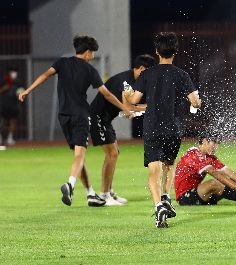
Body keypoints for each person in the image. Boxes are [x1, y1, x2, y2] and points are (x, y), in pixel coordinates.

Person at [18, 35, 132, 207]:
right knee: (80, 154)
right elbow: (106, 93)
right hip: (81, 115)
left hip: (63, 115)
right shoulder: (89, 70)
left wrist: (28, 90)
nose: (93, 56)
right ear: (87, 53)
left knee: (77, 157)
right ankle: (70, 183)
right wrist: (124, 107)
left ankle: (90, 194)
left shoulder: (61, 63)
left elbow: (45, 75)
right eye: (92, 53)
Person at [125, 32, 201, 228]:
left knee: (154, 170)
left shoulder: (147, 74)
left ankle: (159, 205)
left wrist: (127, 94)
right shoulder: (182, 74)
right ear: (175, 51)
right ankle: (166, 197)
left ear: (157, 51)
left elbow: (134, 101)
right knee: (169, 164)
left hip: (152, 127)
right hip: (173, 129)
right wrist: (195, 102)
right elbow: (195, 102)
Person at [89, 54, 156, 206]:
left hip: (105, 119)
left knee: (114, 153)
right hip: (97, 117)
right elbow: (128, 107)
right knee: (112, 153)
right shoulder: (126, 81)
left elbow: (130, 107)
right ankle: (104, 195)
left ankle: (109, 192)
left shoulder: (134, 80)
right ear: (141, 69)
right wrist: (152, 107)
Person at [174, 133, 236, 206]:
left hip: (200, 194)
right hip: (185, 197)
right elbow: (214, 173)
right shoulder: (193, 154)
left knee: (227, 179)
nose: (216, 147)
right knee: (215, 182)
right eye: (214, 143)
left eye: (217, 144)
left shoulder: (209, 157)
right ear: (204, 142)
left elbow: (230, 173)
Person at [0, 68, 21, 145]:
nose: (14, 73)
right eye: (13, 72)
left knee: (13, 121)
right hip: (3, 105)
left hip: (14, 105)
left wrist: (20, 94)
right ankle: (1, 138)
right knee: (2, 122)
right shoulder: (3, 81)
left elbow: (21, 91)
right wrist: (3, 89)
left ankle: (10, 138)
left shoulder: (18, 83)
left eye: (15, 72)